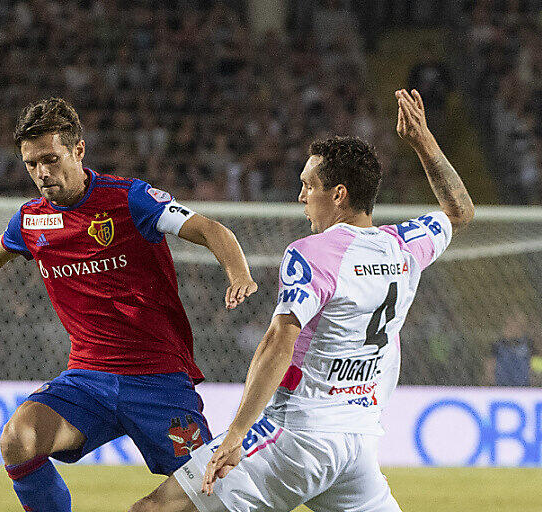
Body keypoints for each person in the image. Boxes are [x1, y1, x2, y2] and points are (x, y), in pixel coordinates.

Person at [0, 98, 258, 511]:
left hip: (159, 381)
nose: (42, 173)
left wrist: (238, 272)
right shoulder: (32, 219)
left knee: (207, 492)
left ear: (78, 151)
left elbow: (208, 229)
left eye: (51, 158)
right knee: (18, 439)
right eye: (31, 164)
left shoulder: (130, 199)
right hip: (88, 379)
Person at [128, 89, 474, 512]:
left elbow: (279, 342)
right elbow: (459, 211)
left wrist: (237, 432)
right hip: (358, 445)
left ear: (339, 194)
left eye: (308, 186)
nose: (301, 196)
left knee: (153, 509)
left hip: (296, 435)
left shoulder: (313, 251)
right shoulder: (404, 245)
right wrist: (423, 141)